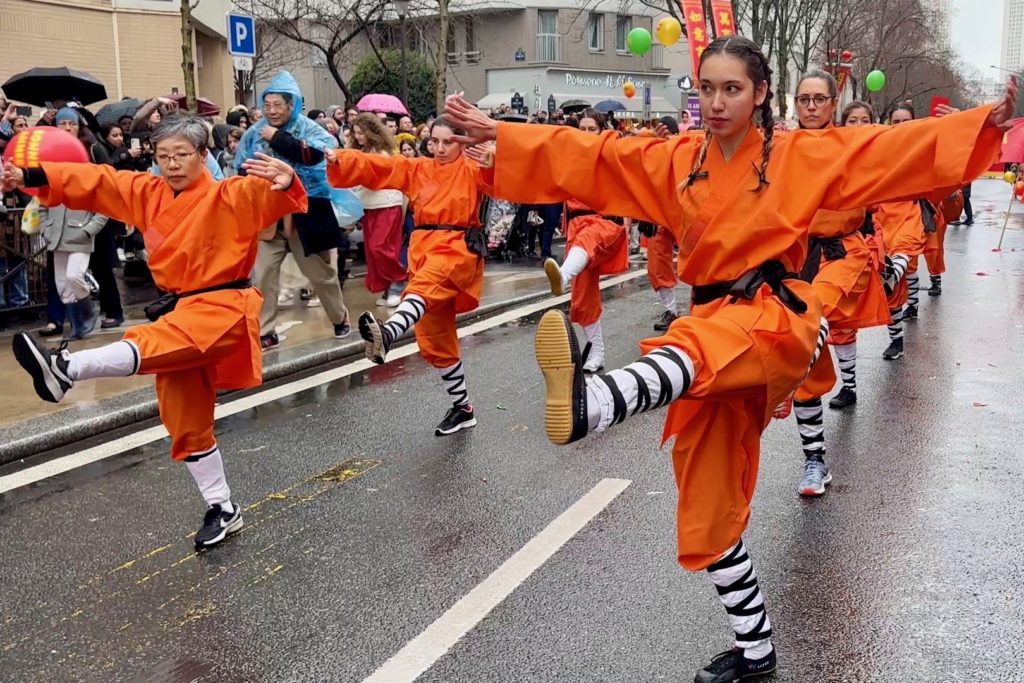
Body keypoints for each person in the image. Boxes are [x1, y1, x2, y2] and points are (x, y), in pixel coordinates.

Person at [443, 37, 1013, 682]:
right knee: (707, 501)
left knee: (706, 342)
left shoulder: (805, 153)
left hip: (775, 318)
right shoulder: (679, 159)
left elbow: (889, 150)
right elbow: (597, 156)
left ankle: (598, 400)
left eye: (732, 90)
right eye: (707, 88)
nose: (716, 102)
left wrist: (982, 122)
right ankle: (757, 648)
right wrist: (506, 135)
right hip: (708, 320)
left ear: (761, 94)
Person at [5, 115, 306, 549]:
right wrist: (31, 174)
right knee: (184, 418)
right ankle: (223, 507)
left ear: (203, 156)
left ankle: (66, 366)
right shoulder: (147, 194)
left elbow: (275, 195)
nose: (172, 164)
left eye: (182, 155)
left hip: (222, 306)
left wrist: (286, 177)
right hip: (179, 308)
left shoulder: (229, 194)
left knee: (155, 342)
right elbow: (96, 180)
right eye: (163, 156)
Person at [326, 116, 493, 436]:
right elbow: (380, 166)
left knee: (423, 287)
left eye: (449, 142)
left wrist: (494, 158)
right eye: (435, 141)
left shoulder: (473, 170)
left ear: (462, 143)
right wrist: (341, 158)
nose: (441, 148)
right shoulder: (418, 168)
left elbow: (502, 180)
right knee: (435, 336)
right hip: (424, 249)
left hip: (458, 249)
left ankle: (388, 334)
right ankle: (463, 408)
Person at [786, 74, 891, 497]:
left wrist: (973, 128)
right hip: (793, 261)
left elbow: (913, 158)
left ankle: (791, 381)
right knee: (802, 351)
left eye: (819, 99)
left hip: (842, 255)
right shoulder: (778, 150)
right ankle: (815, 459)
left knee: (811, 324)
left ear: (833, 104)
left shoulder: (855, 148)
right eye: (804, 99)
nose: (811, 106)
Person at [236, 71, 352, 350]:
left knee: (320, 274)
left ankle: (339, 318)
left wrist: (277, 138)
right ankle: (266, 330)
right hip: (268, 213)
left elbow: (317, 157)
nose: (271, 111)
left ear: (292, 105)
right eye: (267, 105)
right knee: (262, 275)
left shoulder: (310, 130)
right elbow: (241, 166)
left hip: (307, 211)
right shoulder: (254, 133)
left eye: (278, 105)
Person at [540, 109, 628, 373]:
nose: (587, 134)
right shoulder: (568, 157)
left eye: (593, 129)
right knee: (583, 298)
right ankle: (597, 352)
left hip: (604, 223)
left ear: (602, 131)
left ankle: (563, 275)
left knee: (588, 241)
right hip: (576, 229)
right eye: (583, 129)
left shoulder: (611, 154)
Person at [42, 107, 106, 339]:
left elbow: (103, 204)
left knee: (74, 276)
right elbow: (41, 201)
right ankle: (77, 325)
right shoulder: (49, 166)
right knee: (62, 284)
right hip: (56, 235)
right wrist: (45, 228)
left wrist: (90, 230)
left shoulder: (89, 164)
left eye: (72, 124)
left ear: (80, 128)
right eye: (62, 124)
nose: (67, 128)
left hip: (80, 234)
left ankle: (88, 315)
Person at [349, 113, 407, 307]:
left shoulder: (382, 153)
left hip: (387, 204)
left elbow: (375, 178)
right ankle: (389, 286)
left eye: (360, 133)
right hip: (369, 206)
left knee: (380, 247)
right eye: (355, 133)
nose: (357, 137)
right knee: (374, 251)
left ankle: (398, 281)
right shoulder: (364, 150)